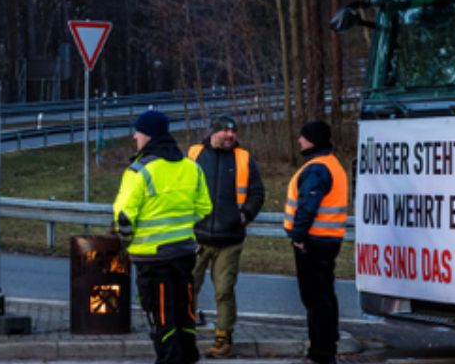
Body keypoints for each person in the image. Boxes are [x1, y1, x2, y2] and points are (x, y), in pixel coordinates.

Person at [114, 110, 213, 364]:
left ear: (148, 135)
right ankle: (188, 357)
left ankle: (169, 360)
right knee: (184, 310)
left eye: (138, 131)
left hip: (151, 259)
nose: (135, 136)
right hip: (184, 254)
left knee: (160, 316)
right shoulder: (191, 168)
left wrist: (127, 244)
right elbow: (204, 209)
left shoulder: (139, 171)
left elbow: (124, 218)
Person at [187, 115, 266, 358]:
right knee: (188, 287)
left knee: (224, 291)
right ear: (214, 132)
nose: (230, 136)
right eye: (225, 132)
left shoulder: (243, 158)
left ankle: (223, 339)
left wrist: (245, 215)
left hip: (229, 239)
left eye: (233, 132)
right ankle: (183, 333)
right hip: (196, 237)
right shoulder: (194, 154)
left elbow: (257, 192)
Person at [284, 120, 348, 364]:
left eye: (303, 136)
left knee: (315, 299)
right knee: (325, 296)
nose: (299, 140)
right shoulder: (331, 164)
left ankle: (321, 354)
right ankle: (326, 348)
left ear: (312, 140)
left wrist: (299, 237)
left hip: (313, 241)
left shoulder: (317, 168)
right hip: (328, 240)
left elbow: (307, 206)